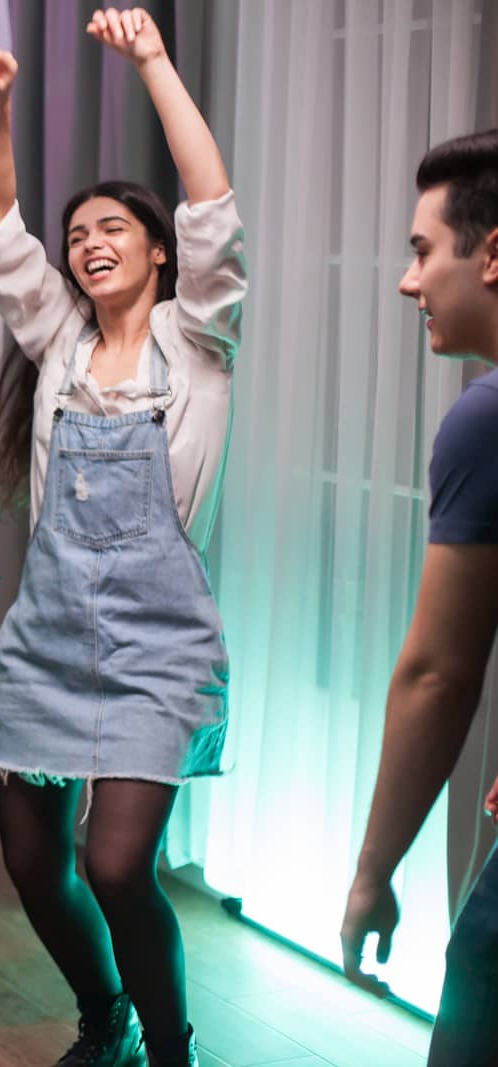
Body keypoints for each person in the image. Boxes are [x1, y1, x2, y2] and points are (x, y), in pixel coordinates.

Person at [0, 9, 246, 1066]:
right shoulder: (57, 339)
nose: (87, 241)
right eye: (77, 231)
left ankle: (171, 1044)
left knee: (118, 864)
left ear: (163, 253)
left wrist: (152, 62)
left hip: (158, 646)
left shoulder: (200, 336)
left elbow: (210, 198)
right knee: (37, 869)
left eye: (112, 227)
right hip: (47, 641)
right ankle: (105, 1017)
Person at [339, 128, 498, 1066]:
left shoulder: (484, 419)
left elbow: (438, 674)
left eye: (422, 250)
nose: (410, 281)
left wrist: (373, 871)